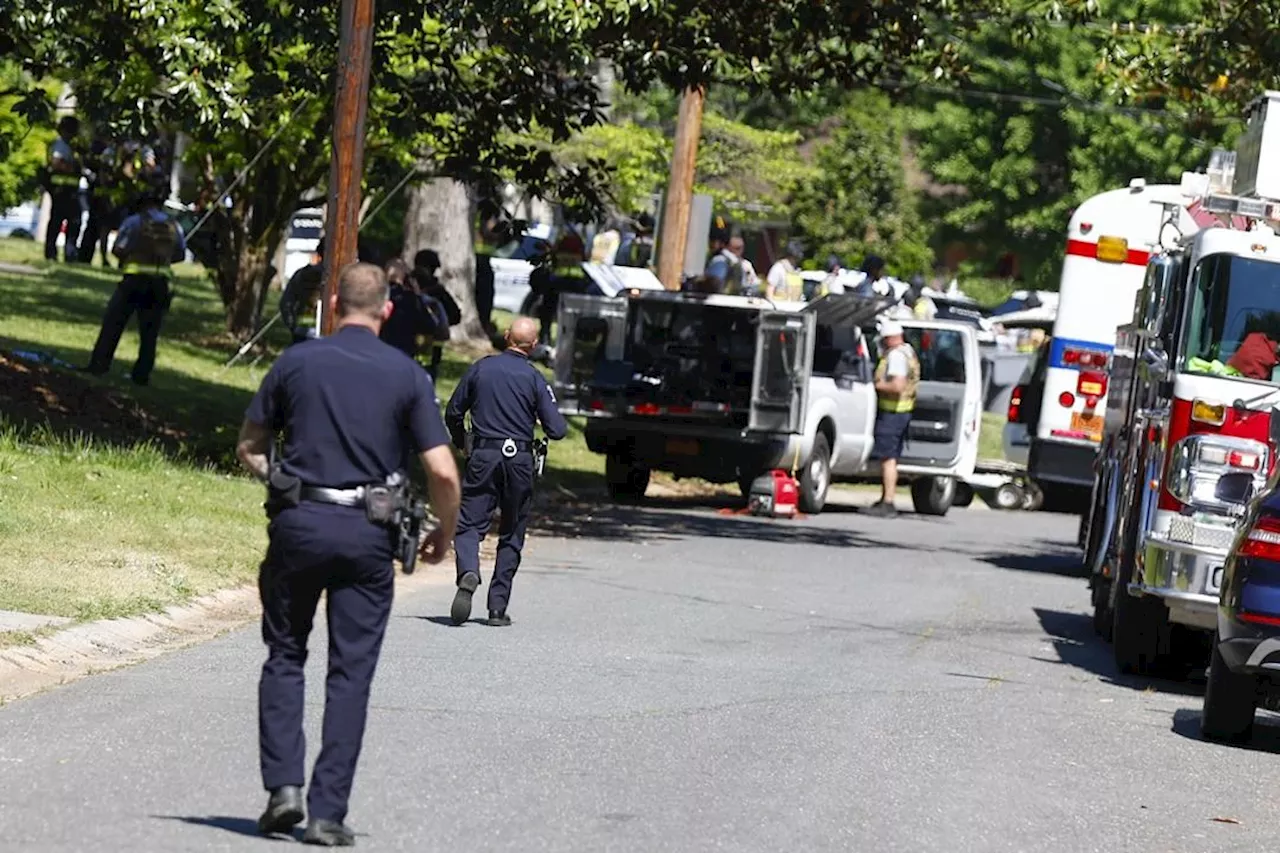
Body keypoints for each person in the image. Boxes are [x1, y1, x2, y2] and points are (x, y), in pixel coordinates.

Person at [236, 262, 462, 846]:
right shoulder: (407, 375)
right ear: (387, 309)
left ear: (333, 302)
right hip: (368, 534)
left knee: (285, 654)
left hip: (300, 525)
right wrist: (446, 530)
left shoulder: (296, 362)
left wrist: (280, 481)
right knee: (350, 674)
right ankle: (327, 813)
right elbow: (441, 468)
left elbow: (250, 447)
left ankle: (283, 789)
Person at [445, 316, 569, 626]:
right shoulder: (535, 378)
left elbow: (453, 412)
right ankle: (497, 608)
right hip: (519, 460)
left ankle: (469, 571)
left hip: (484, 455)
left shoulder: (481, 368)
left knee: (470, 524)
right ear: (535, 345)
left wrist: (463, 443)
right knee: (512, 530)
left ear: (505, 336)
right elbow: (557, 429)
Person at [84, 185, 186, 386]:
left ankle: (99, 366)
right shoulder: (174, 226)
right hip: (159, 284)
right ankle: (141, 375)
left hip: (133, 281)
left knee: (113, 324)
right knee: (149, 334)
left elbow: (118, 248)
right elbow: (180, 254)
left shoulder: (134, 221)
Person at [865, 320, 920, 518]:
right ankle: (885, 498)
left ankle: (888, 501)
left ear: (889, 338)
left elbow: (897, 386)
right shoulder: (907, 351)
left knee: (888, 459)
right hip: (901, 412)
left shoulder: (896, 356)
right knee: (891, 458)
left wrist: (876, 385)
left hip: (893, 413)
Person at [380, 257, 450, 377]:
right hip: (403, 358)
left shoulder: (374, 297)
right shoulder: (413, 300)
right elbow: (432, 326)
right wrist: (417, 293)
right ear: (406, 277)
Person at [44, 116, 83, 263]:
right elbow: (56, 163)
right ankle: (52, 253)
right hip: (62, 189)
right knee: (58, 221)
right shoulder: (60, 145)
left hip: (70, 190)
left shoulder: (68, 146)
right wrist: (73, 168)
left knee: (73, 222)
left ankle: (69, 253)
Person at [281, 242, 326, 344]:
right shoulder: (346, 277)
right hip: (334, 336)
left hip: (303, 332)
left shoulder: (302, 274)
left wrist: (292, 326)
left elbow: (285, 303)